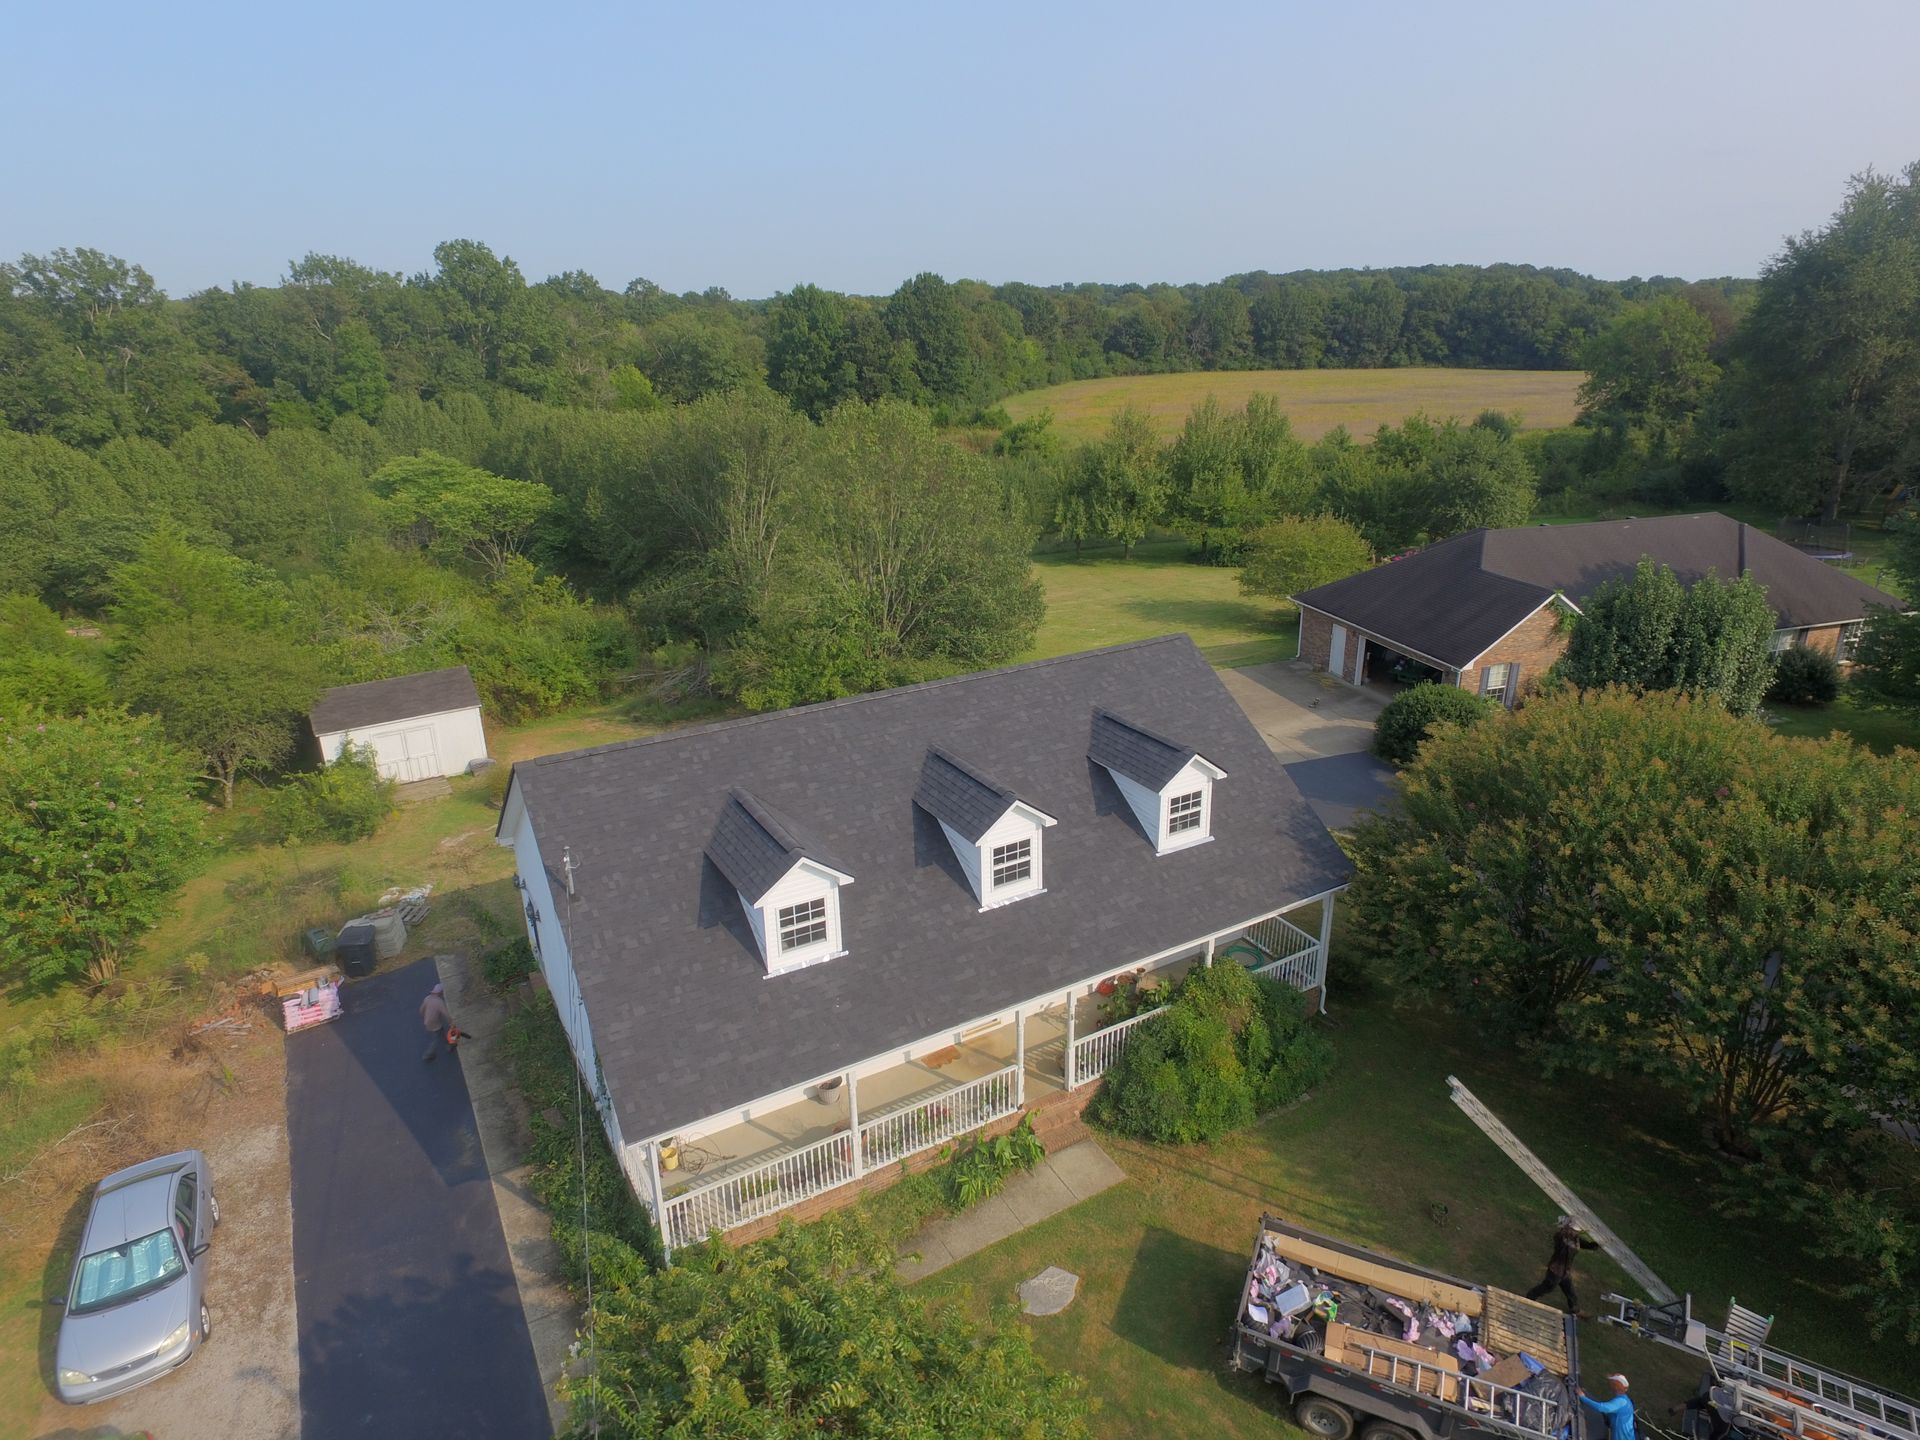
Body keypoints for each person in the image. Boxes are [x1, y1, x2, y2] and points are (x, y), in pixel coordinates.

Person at [1526, 1214, 1600, 1315]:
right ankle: (1530, 1297)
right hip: (1555, 1270)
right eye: (1575, 1230)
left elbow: (1581, 1243)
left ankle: (1575, 1309)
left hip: (1565, 1271)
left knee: (1570, 1291)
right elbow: (1565, 1241)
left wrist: (1593, 1245)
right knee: (1548, 1287)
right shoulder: (1561, 1237)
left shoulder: (1574, 1238)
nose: (1576, 1232)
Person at [419, 982, 468, 1062]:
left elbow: (421, 1010)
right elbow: (446, 1015)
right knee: (437, 1038)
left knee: (441, 1034)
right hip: (435, 1024)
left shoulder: (427, 998)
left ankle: (448, 1045)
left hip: (427, 1022)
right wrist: (451, 1023)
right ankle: (429, 1054)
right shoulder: (439, 1002)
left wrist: (425, 1017)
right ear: (440, 992)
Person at [1580, 1373, 1635, 1440]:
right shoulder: (1625, 1400)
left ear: (1616, 1386)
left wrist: (1582, 1397)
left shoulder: (1620, 1401)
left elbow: (1601, 1408)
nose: (1609, 1384)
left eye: (1612, 1382)